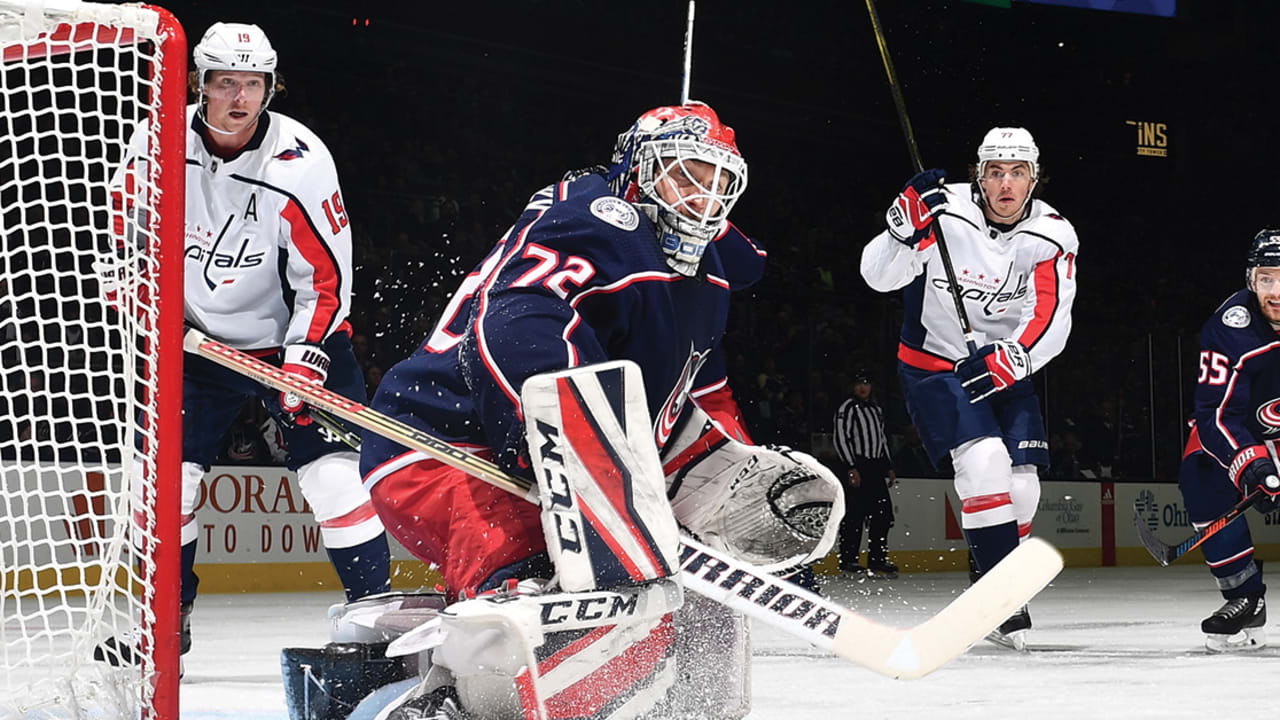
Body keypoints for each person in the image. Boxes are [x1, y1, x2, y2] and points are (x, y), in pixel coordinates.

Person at [347, 101, 842, 720]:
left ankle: (687, 710)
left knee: (696, 604)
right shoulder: (590, 220)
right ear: (637, 169)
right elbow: (511, 330)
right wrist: (570, 453)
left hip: (571, 446)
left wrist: (731, 475)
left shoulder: (706, 273)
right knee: (552, 589)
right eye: (685, 173)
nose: (701, 197)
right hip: (442, 451)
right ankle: (445, 702)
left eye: (718, 181)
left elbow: (697, 392)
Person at [97, 22, 391, 672]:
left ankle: (378, 625)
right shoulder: (158, 142)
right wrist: (137, 303)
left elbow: (326, 278)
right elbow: (122, 236)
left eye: (252, 83)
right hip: (198, 346)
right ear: (199, 83)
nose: (239, 97)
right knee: (165, 486)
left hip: (296, 337)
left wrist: (303, 362)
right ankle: (164, 631)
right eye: (225, 81)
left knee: (335, 481)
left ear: (269, 86)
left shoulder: (301, 160)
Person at [860, 127, 1078, 649]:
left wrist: (1016, 357)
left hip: (1006, 366)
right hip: (935, 365)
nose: (1006, 183)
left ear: (1035, 177)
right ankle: (1004, 598)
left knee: (1024, 488)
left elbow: (1051, 314)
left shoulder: (1053, 234)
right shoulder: (942, 210)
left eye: (1018, 173)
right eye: (995, 171)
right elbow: (878, 279)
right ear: (977, 174)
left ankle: (987, 579)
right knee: (982, 465)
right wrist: (899, 232)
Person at [1175, 228, 1280, 652]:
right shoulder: (1229, 327)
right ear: (1250, 280)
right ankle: (1244, 596)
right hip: (1250, 431)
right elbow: (1216, 415)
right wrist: (1253, 465)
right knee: (1200, 473)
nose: (1276, 291)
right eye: (1267, 278)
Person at [833, 370, 898, 578]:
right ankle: (848, 560)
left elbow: (881, 439)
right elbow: (841, 438)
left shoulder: (876, 410)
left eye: (867, 383)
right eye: (859, 383)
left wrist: (888, 466)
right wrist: (850, 466)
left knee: (883, 515)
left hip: (874, 467)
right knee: (854, 516)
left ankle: (877, 559)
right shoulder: (848, 408)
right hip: (857, 466)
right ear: (852, 386)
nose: (863, 387)